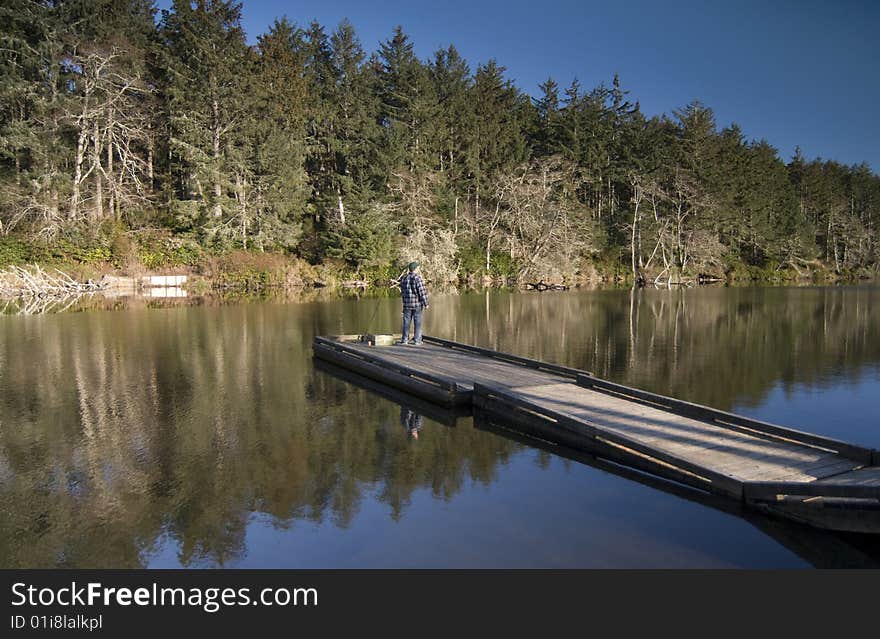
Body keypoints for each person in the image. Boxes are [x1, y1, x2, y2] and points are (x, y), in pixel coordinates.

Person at [397, 261, 429, 345]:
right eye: (418, 268)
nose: (419, 269)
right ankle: (417, 340)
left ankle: (404, 340)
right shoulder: (417, 278)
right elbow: (422, 291)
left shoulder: (403, 278)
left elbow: (403, 292)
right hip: (417, 305)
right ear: (415, 269)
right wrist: (426, 303)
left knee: (406, 323)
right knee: (417, 323)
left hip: (407, 305)